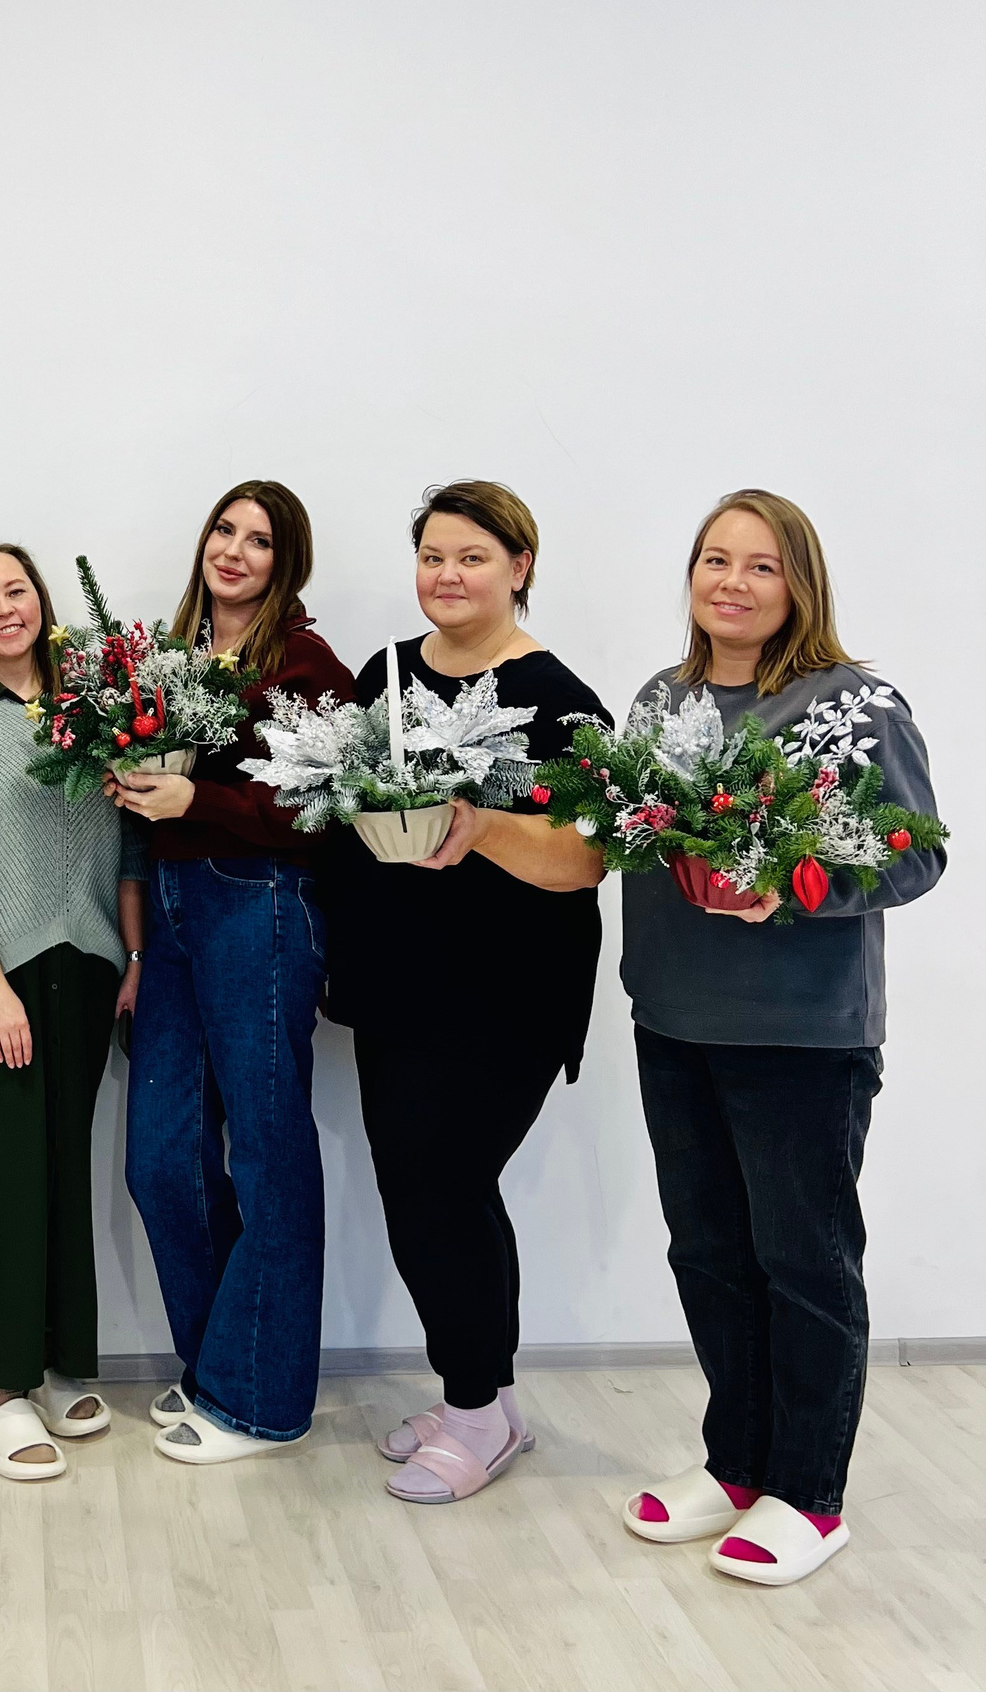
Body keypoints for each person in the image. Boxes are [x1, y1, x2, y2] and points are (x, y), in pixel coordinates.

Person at [618, 489, 943, 1584]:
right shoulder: (660, 701)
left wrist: (795, 887)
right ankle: (739, 1464)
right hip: (674, 1020)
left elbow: (916, 851)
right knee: (708, 1252)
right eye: (715, 559)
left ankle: (810, 1492)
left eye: (762, 565)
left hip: (802, 1037)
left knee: (803, 1262)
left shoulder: (854, 702)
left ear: (800, 583)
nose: (733, 582)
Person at [325, 481, 610, 1503]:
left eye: (472, 557)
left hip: (507, 995)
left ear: (519, 567)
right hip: (397, 983)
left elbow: (586, 859)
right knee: (425, 1190)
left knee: (441, 1187)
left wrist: (482, 827)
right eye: (432, 556)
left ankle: (477, 1410)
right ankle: (483, 1403)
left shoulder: (562, 699)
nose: (447, 575)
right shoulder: (385, 674)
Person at [109, 480, 354, 1462]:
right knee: (161, 1158)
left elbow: (328, 805)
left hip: (258, 903)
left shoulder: (305, 664)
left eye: (260, 540)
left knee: (266, 1150)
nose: (235, 550)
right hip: (172, 912)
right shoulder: (169, 660)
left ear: (285, 561)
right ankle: (223, 1366)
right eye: (225, 529)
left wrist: (199, 803)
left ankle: (263, 1402)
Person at [0, 541, 146, 1480]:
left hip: (84, 971)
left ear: (43, 601)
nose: (5, 609)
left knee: (59, 1171)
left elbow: (130, 845)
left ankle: (52, 1362)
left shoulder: (99, 711)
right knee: (3, 1179)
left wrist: (133, 956)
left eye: (17, 590)